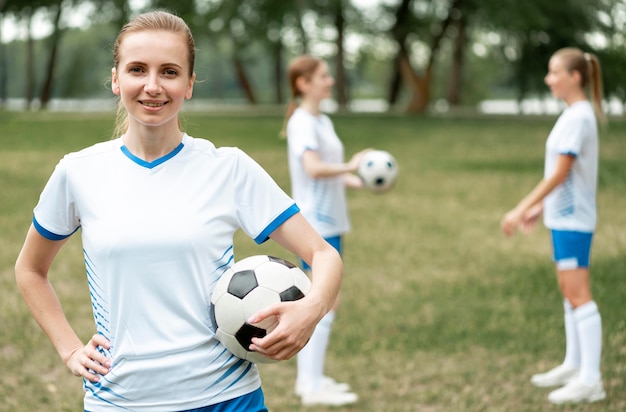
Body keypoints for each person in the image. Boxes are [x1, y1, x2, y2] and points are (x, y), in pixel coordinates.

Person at [15, 11, 343, 412]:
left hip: (227, 398)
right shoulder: (78, 172)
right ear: (116, 78)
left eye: (169, 72)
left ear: (189, 85)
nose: (153, 86)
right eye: (138, 69)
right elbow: (30, 270)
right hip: (120, 400)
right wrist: (68, 349)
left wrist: (311, 309)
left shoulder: (228, 168)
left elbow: (323, 254)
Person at [501, 47, 606, 405]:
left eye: (554, 72)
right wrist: (540, 208)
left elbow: (561, 172)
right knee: (568, 292)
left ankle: (591, 380)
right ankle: (573, 365)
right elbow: (562, 175)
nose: (549, 79)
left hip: (574, 220)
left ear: (574, 77)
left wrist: (520, 208)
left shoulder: (578, 116)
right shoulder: (573, 114)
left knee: (578, 294)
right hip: (563, 218)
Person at [282, 55, 367, 406]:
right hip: (316, 224)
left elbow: (326, 172)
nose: (330, 81)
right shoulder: (302, 122)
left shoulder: (323, 120)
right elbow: (313, 169)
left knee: (326, 302)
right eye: (323, 76)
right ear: (304, 83)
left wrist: (355, 178)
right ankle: (310, 386)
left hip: (333, 220)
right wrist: (353, 164)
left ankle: (311, 379)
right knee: (322, 303)